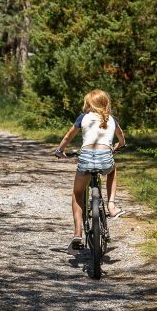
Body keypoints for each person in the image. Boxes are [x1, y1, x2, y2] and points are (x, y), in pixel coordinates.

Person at [54, 89, 126, 250]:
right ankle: (112, 206)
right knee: (112, 170)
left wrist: (59, 151)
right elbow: (121, 138)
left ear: (88, 103)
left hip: (86, 157)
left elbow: (68, 137)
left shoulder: (83, 118)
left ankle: (78, 233)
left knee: (77, 193)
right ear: (106, 103)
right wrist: (119, 145)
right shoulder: (111, 119)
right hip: (105, 157)